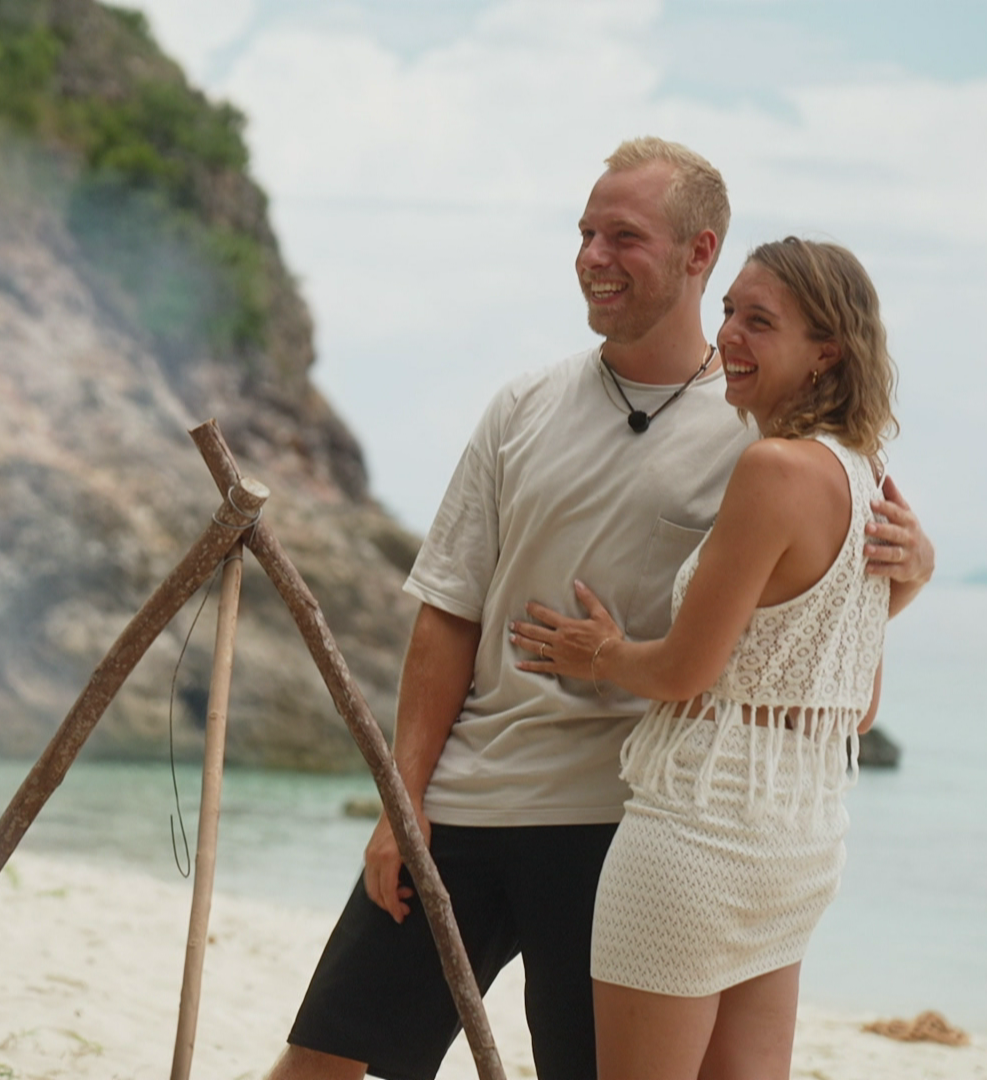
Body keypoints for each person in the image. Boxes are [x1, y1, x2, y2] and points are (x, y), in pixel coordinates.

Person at [264, 139, 934, 1080]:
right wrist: (401, 804)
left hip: (619, 827)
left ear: (700, 252)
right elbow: (449, 613)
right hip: (465, 806)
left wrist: (909, 574)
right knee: (319, 1063)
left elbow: (814, 627)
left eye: (624, 235)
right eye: (585, 233)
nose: (593, 256)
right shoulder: (522, 407)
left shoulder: (761, 432)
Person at [509, 236, 900, 1080]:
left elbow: (684, 671)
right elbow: (859, 706)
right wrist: (917, 579)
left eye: (760, 321)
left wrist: (600, 652)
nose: (728, 335)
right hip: (802, 843)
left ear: (827, 352)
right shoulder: (866, 477)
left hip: (698, 834)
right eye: (728, 311)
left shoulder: (773, 468)